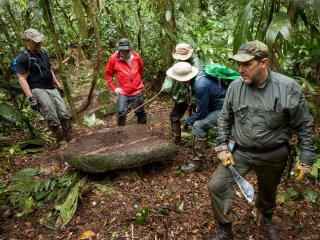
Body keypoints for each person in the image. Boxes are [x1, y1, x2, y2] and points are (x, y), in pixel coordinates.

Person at [206, 40, 316, 240]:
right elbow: (224, 117)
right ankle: (224, 228)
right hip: (241, 152)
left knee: (268, 190)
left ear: (264, 63)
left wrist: (306, 157)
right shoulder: (234, 87)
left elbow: (304, 125)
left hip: (273, 154)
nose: (240, 69)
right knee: (217, 185)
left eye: (247, 65)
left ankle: (266, 217)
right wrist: (222, 144)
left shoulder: (287, 88)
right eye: (238, 64)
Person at [166, 62, 228, 172]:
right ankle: (198, 148)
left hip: (225, 108)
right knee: (197, 122)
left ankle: (196, 163)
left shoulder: (201, 85)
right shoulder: (198, 76)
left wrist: (188, 122)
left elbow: (202, 113)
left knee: (198, 125)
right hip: (218, 104)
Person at [16, 28, 73, 145]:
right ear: (28, 41)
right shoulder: (22, 58)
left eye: (39, 41)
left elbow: (49, 69)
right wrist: (31, 98)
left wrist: (58, 84)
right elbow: (22, 79)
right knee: (51, 113)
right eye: (35, 42)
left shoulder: (43, 52)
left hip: (50, 86)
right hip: (37, 88)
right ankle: (61, 141)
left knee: (63, 112)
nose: (38, 44)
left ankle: (69, 138)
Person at [162, 43, 204, 144]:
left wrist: (194, 100)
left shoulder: (197, 63)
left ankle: (199, 143)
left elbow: (200, 82)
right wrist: (166, 86)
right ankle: (176, 140)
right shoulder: (178, 61)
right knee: (174, 115)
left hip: (196, 94)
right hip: (182, 94)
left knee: (198, 118)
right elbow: (171, 76)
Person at [104, 38, 146, 126]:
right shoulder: (113, 59)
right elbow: (108, 74)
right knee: (121, 112)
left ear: (130, 49)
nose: (124, 53)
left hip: (137, 90)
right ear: (119, 50)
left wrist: (137, 80)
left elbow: (141, 69)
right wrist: (114, 87)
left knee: (140, 111)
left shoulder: (136, 57)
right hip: (123, 91)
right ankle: (120, 131)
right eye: (122, 51)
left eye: (126, 50)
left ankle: (143, 131)